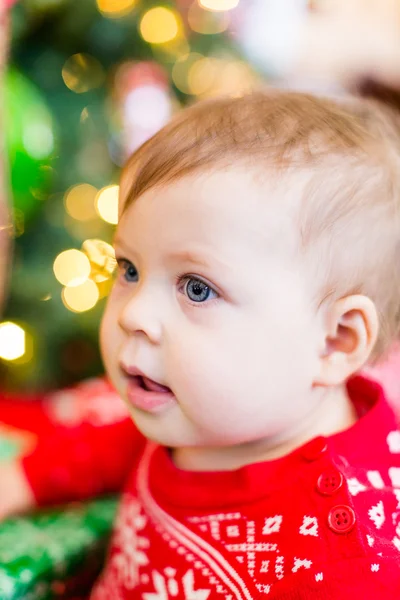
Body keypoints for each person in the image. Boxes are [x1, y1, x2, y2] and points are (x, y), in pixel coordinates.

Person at [84, 89, 400, 598]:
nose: (135, 313)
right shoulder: (193, 410)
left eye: (198, 288)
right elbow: (110, 442)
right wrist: (22, 481)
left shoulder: (350, 567)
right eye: (129, 269)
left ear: (335, 342)